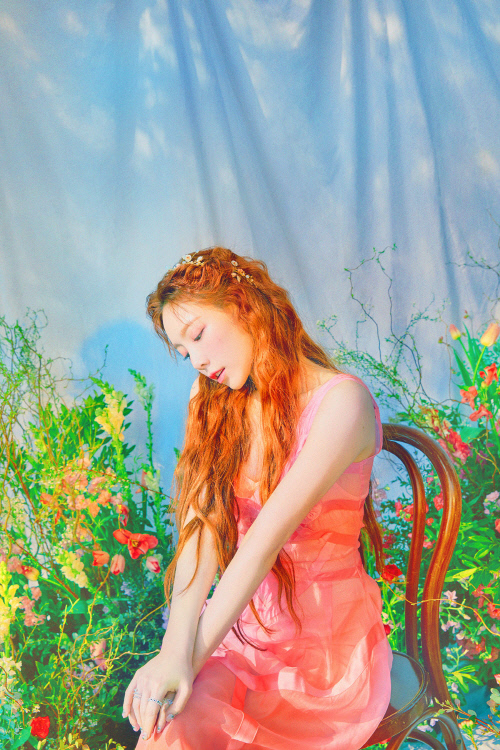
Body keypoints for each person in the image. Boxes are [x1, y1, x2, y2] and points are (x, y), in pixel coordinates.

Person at [123, 246, 393, 748]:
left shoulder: (342, 403)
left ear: (244, 305)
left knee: (191, 718)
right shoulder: (213, 399)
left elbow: (263, 541)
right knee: (171, 726)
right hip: (243, 635)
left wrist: (185, 661)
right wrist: (174, 652)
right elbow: (201, 530)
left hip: (324, 653)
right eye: (184, 352)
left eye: (198, 335)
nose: (198, 361)